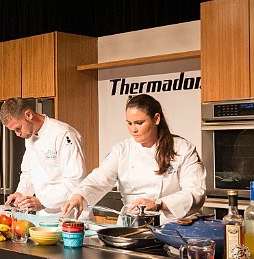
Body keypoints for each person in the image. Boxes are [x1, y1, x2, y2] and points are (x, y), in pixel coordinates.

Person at [61, 94, 206, 224]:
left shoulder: (182, 149)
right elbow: (99, 179)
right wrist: (79, 195)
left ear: (156, 119)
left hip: (168, 226)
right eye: (129, 123)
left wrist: (158, 203)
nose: (133, 130)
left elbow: (195, 192)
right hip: (129, 225)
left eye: (139, 123)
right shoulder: (122, 150)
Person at [0, 97, 89, 218]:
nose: (17, 134)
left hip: (70, 215)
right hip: (45, 215)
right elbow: (28, 172)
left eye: (18, 128)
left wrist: (43, 201)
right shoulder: (30, 137)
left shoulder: (63, 134)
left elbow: (75, 181)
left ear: (28, 115)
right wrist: (21, 193)